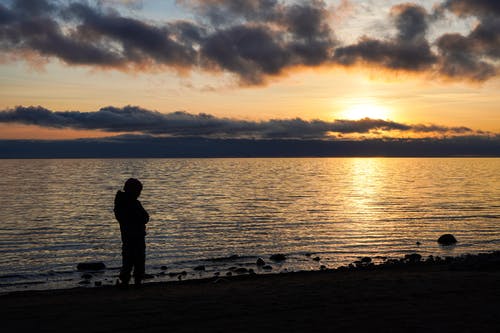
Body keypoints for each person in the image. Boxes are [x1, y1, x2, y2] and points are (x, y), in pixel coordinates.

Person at [114, 178, 149, 287]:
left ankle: (132, 280)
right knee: (131, 259)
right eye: (138, 191)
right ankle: (128, 281)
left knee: (134, 260)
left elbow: (145, 217)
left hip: (133, 235)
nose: (139, 194)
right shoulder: (127, 203)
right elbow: (144, 217)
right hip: (131, 236)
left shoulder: (128, 202)